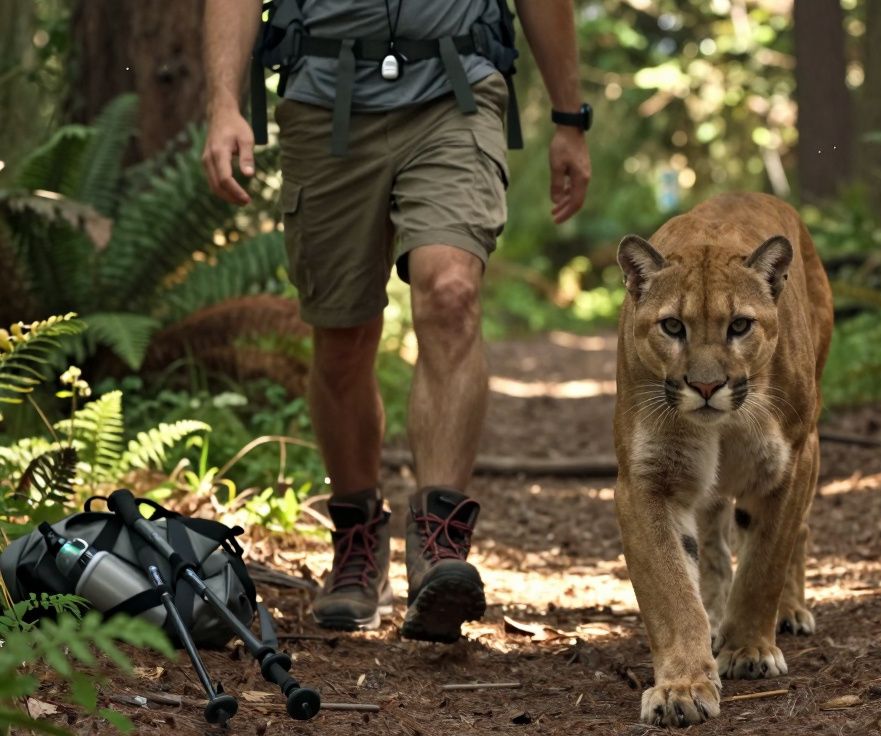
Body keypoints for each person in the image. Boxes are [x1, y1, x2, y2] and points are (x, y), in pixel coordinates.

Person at [200, 0, 591, 642]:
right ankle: (358, 543)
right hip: (324, 98)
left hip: (454, 92)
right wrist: (222, 104)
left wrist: (570, 117)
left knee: (451, 292)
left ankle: (441, 544)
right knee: (343, 334)